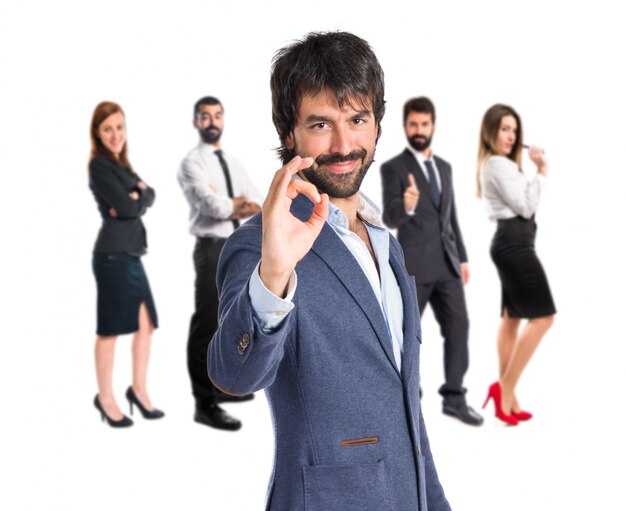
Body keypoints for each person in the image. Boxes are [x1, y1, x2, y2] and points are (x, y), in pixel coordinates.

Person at [209, 32, 450, 510]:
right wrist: (275, 272)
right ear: (288, 134)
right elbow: (233, 375)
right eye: (321, 124)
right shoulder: (260, 246)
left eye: (357, 120)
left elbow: (409, 416)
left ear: (377, 126)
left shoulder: (388, 246)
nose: (344, 144)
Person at [380, 97, 483, 426]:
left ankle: (454, 397)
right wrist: (407, 204)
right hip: (415, 264)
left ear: (433, 126)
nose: (419, 130)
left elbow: (450, 219)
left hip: (447, 265)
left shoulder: (445, 168)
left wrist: (462, 258)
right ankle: (407, 393)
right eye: (413, 124)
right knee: (409, 333)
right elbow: (390, 216)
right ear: (405, 126)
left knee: (459, 327)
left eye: (424, 124)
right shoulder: (394, 168)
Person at [177, 96, 262, 431]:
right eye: (205, 117)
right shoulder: (192, 163)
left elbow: (255, 200)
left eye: (217, 116)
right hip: (211, 247)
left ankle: (221, 386)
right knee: (205, 324)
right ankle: (204, 403)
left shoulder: (233, 161)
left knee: (231, 317)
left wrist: (236, 204)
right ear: (196, 122)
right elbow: (212, 205)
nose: (212, 121)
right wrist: (232, 204)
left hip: (236, 246)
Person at [477, 104, 556, 426]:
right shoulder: (497, 163)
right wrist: (542, 171)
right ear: (491, 131)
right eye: (504, 129)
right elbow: (526, 206)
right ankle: (504, 388)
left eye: (514, 129)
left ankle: (508, 398)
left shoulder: (503, 164)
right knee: (543, 318)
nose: (510, 136)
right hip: (514, 243)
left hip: (515, 242)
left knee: (512, 318)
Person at [88, 101, 164, 428]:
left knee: (146, 324)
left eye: (119, 127)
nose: (115, 134)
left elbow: (149, 196)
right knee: (110, 329)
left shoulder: (122, 165)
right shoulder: (99, 166)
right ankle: (105, 398)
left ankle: (139, 390)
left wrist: (137, 197)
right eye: (108, 129)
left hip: (131, 254)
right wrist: (134, 198)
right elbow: (128, 206)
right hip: (112, 256)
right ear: (98, 133)